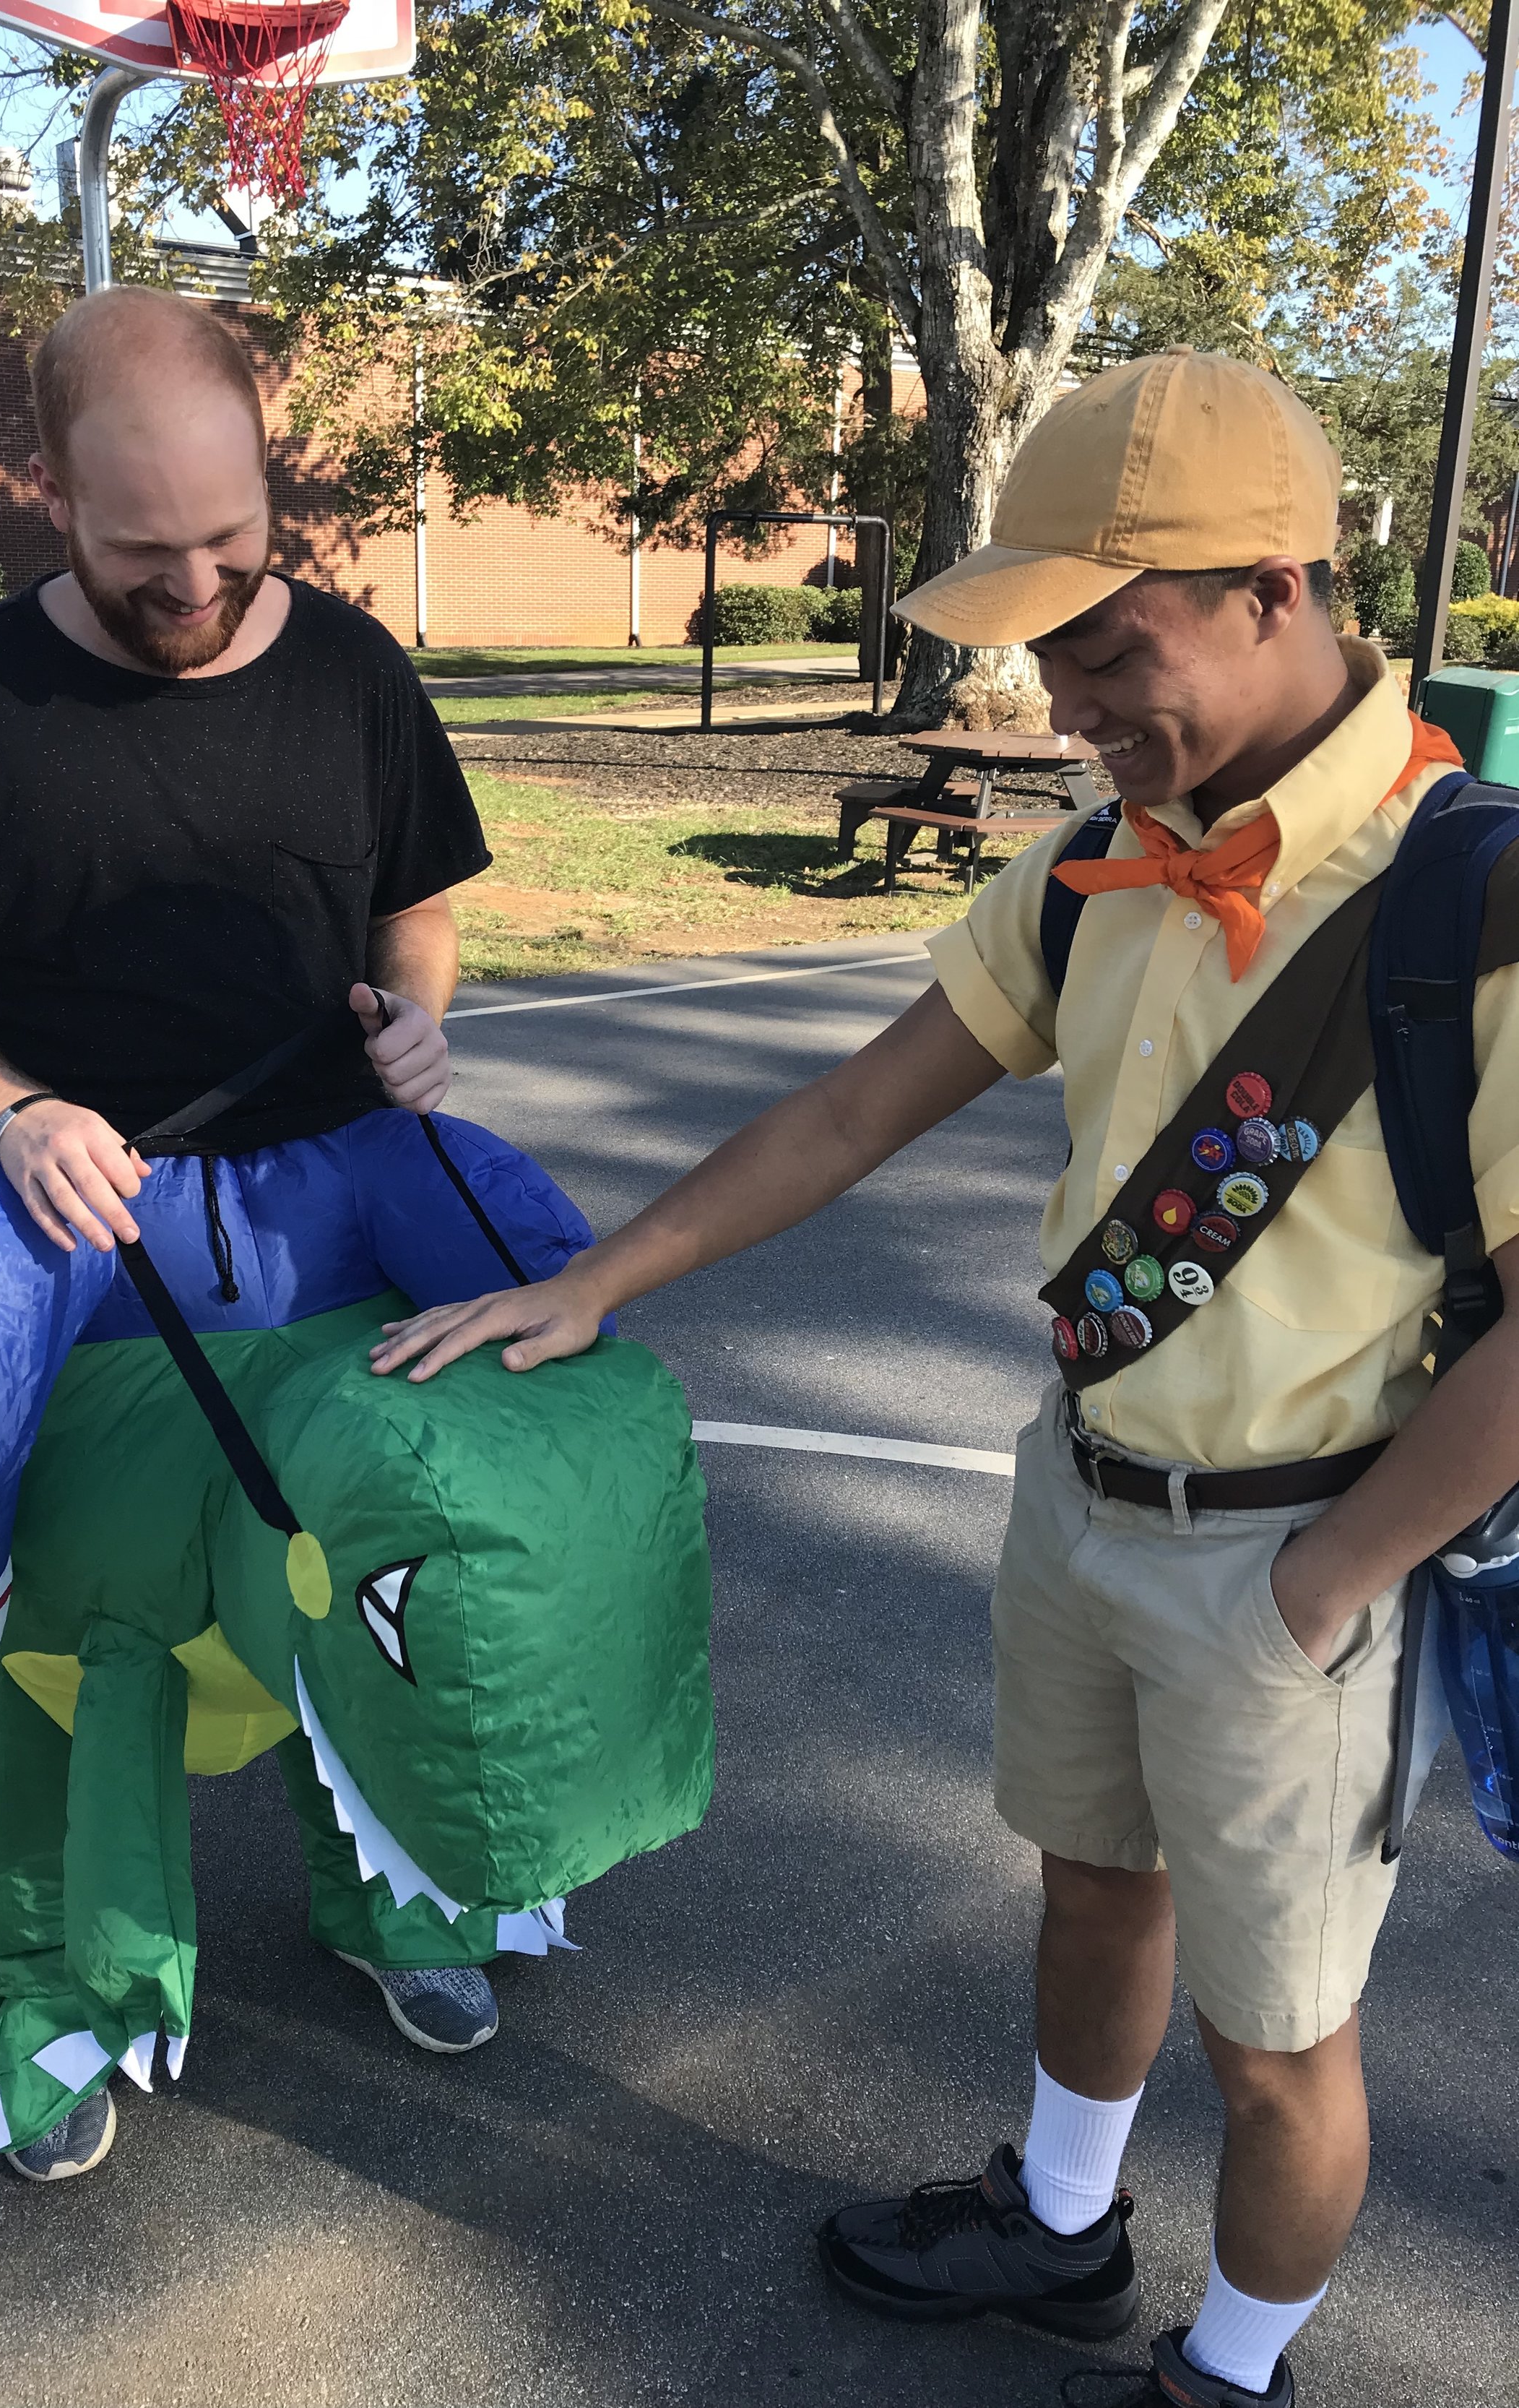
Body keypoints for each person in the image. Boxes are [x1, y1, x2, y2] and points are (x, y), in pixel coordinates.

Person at [366, 350, 1519, 2404]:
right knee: (1091, 1889)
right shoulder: (1100, 864)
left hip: (1291, 1560)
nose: (1060, 698)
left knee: (1278, 2046)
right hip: (1079, 1493)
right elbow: (847, 1114)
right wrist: (599, 1278)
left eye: (1101, 639)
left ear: (1273, 584)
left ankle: (1233, 2373)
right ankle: (1061, 2232)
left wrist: (1333, 1582)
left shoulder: (1480, 903)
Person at [0, 286, 554, 2170]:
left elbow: (415, 911)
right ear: (52, 494)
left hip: (323, 1196)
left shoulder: (350, 673)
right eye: (144, 549)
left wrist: (421, 1013)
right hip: (60, 1201)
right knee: (30, 1617)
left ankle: (407, 1886)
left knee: (382, 1571)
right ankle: (43, 1989)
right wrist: (8, 1108)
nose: (197, 580)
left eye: (232, 540)